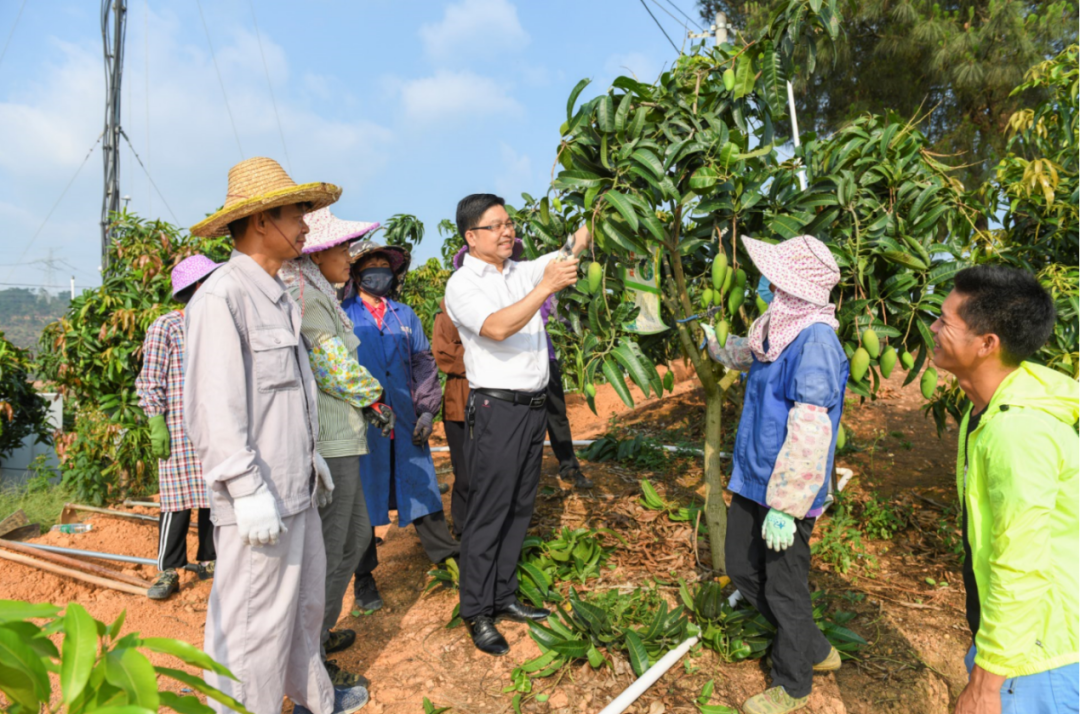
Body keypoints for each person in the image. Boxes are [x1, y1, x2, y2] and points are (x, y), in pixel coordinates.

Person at [184, 157, 368, 714]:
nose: (307, 226)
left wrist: (311, 458)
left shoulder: (278, 294)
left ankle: (312, 699)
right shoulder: (223, 297)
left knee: (303, 609)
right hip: (259, 497)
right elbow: (214, 406)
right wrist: (244, 487)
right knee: (251, 627)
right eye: (297, 214)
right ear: (261, 221)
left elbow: (289, 395)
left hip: (295, 487)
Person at [706, 235, 848, 714]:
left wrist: (787, 507)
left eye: (773, 279)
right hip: (755, 476)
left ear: (791, 287)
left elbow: (811, 430)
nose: (764, 284)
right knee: (742, 567)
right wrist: (720, 349)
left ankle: (793, 684)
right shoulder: (778, 326)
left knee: (785, 587)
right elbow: (754, 354)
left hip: (789, 488)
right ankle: (813, 646)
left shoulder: (817, 342)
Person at [928, 265, 1078, 714]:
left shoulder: (1018, 433)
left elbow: (1020, 562)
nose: (932, 328)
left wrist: (986, 682)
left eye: (944, 321)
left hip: (1037, 656)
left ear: (987, 343)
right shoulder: (991, 406)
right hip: (1023, 642)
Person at [444, 193, 589, 656]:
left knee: (519, 507)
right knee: (489, 511)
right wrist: (546, 287)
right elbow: (498, 327)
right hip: (497, 410)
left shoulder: (517, 271)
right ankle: (476, 611)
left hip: (531, 411)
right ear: (471, 237)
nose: (508, 231)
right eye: (496, 226)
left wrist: (599, 205)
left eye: (509, 223)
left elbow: (571, 248)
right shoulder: (463, 285)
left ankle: (503, 596)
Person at [280, 207, 391, 690]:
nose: (351, 258)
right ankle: (310, 656)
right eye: (343, 249)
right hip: (330, 439)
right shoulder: (305, 297)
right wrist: (375, 397)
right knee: (335, 545)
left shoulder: (319, 292)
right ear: (319, 253)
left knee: (354, 536)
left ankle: (317, 635)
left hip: (343, 433)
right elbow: (330, 365)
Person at [342, 241, 458, 612]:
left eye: (384, 265)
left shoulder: (403, 315)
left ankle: (446, 556)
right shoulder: (343, 314)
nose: (379, 271)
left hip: (407, 416)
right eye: (370, 265)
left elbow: (424, 362)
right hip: (363, 420)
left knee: (419, 482)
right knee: (362, 499)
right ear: (356, 273)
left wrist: (426, 410)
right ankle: (363, 579)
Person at [135, 254, 221, 600]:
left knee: (214, 497)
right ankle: (169, 569)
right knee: (176, 502)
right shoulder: (167, 326)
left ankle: (210, 560)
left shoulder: (218, 326)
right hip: (177, 428)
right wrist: (156, 421)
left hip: (215, 425)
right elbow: (150, 378)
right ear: (198, 288)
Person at [539, 295, 592, 489]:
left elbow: (563, 315)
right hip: (516, 364)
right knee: (523, 420)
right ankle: (522, 474)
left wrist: (586, 318)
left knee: (557, 415)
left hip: (546, 358)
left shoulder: (539, 281)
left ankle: (569, 467)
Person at [431, 298, 469, 539]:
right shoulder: (445, 314)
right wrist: (483, 351)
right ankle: (463, 527)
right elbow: (444, 354)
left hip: (496, 403)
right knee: (465, 471)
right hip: (460, 404)